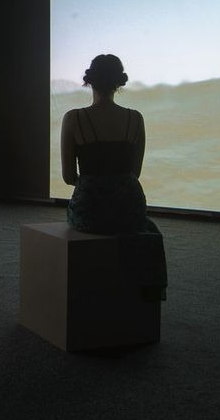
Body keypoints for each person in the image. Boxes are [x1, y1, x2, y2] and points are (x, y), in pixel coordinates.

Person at [61, 54, 166, 299]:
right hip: (129, 212)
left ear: (89, 81)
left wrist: (93, 182)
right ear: (119, 83)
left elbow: (68, 177)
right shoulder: (135, 118)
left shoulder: (74, 118)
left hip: (89, 212)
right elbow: (135, 172)